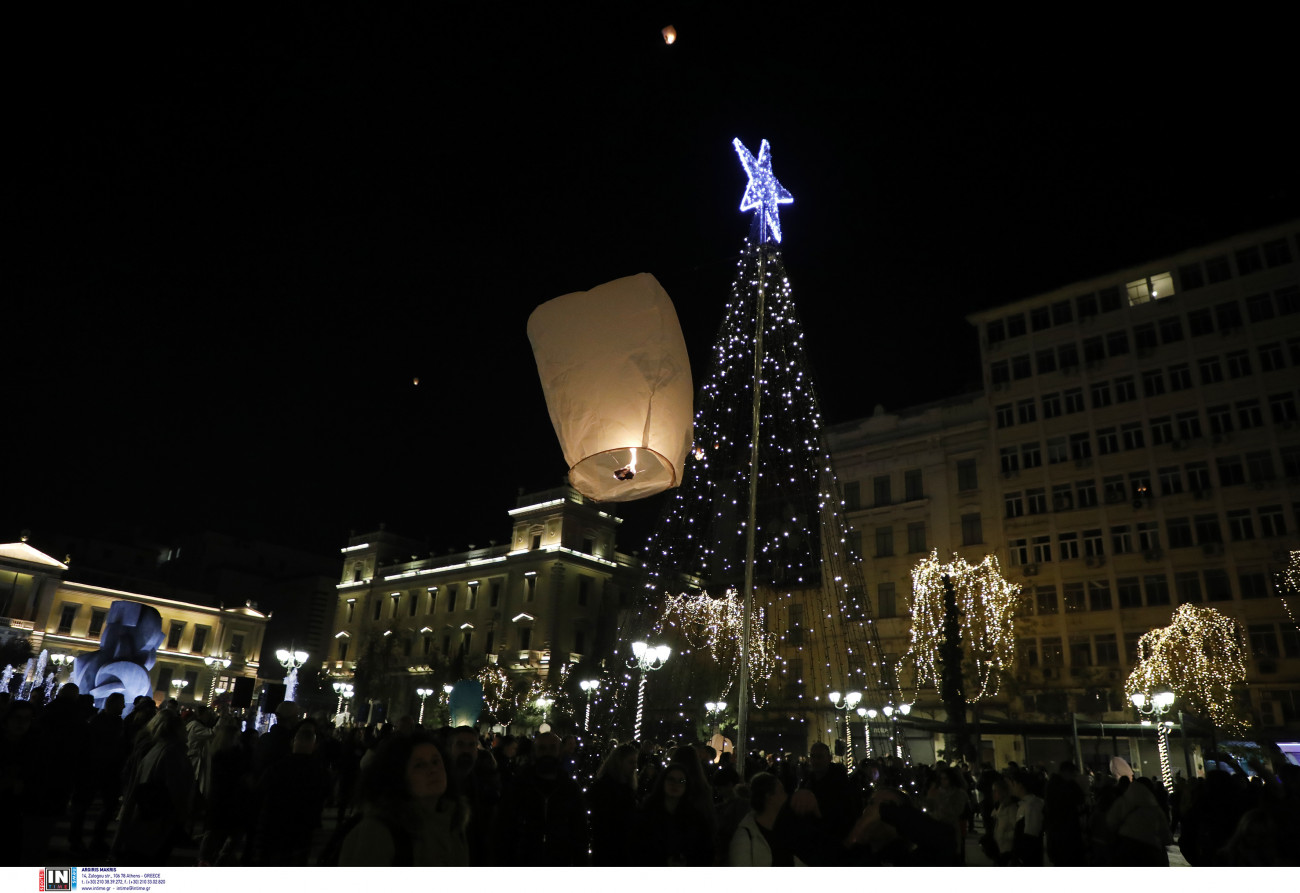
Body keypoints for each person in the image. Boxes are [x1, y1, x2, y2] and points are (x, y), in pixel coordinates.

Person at [339, 730, 468, 866]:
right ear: (398, 776)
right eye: (419, 765)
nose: (432, 769)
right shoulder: (377, 834)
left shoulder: (454, 823)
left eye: (436, 761)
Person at [495, 731, 588, 865]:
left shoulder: (571, 789)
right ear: (534, 752)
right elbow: (503, 828)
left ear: (560, 752)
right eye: (542, 748)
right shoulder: (518, 786)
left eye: (552, 748)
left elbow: (580, 833)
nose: (547, 753)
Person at [637, 761, 715, 865]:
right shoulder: (648, 812)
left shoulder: (694, 816)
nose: (675, 784)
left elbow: (705, 849)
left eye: (681, 781)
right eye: (671, 779)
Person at [729, 771, 799, 866]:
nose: (786, 796)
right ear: (769, 797)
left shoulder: (785, 828)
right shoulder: (744, 839)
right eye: (781, 792)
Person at [588, 742, 639, 866]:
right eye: (631, 762)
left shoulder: (626, 787)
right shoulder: (604, 788)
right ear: (619, 762)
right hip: (609, 850)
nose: (635, 766)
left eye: (635, 762)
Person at [1106, 776, 1173, 866]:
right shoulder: (1154, 807)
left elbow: (1111, 821)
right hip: (1151, 849)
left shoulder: (1123, 801)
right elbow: (1165, 834)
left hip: (1126, 846)